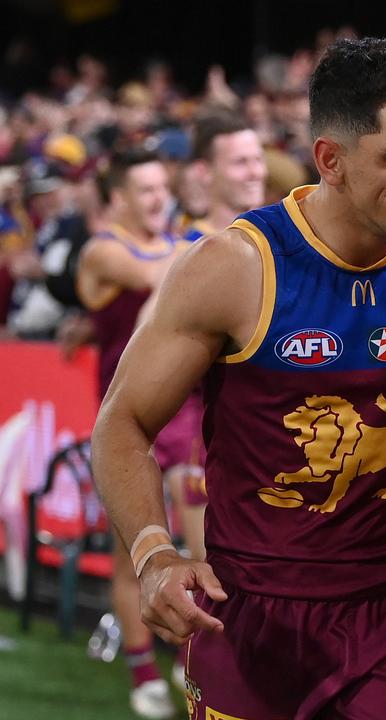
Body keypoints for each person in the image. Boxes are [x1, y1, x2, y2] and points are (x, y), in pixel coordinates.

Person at [89, 38, 386, 719]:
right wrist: (153, 554)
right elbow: (123, 422)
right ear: (331, 161)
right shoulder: (237, 268)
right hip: (249, 619)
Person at [77, 149, 196, 719]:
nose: (158, 200)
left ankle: (190, 654)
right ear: (119, 198)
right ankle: (143, 672)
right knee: (139, 554)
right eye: (145, 190)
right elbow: (163, 277)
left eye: (162, 188)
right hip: (132, 426)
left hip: (191, 416)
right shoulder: (105, 249)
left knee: (207, 540)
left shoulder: (181, 244)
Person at [177, 112, 267, 240]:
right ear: (204, 172)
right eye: (240, 162)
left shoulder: (285, 240)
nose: (255, 172)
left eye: (258, 159)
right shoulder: (188, 250)